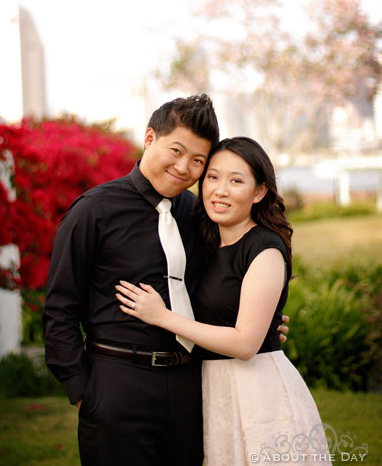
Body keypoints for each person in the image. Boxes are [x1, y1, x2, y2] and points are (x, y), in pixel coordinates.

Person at [43, 95, 289, 466]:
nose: (183, 167)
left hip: (191, 386)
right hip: (116, 385)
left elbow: (226, 281)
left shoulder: (197, 213)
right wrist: (83, 391)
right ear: (149, 138)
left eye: (198, 161)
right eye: (176, 150)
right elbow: (60, 309)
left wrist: (261, 323)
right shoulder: (94, 211)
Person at [116, 137, 331, 466]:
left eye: (236, 180)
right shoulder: (203, 241)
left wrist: (162, 316)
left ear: (259, 192)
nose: (220, 190)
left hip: (257, 392)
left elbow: (246, 343)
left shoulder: (264, 248)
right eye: (213, 177)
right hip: (214, 390)